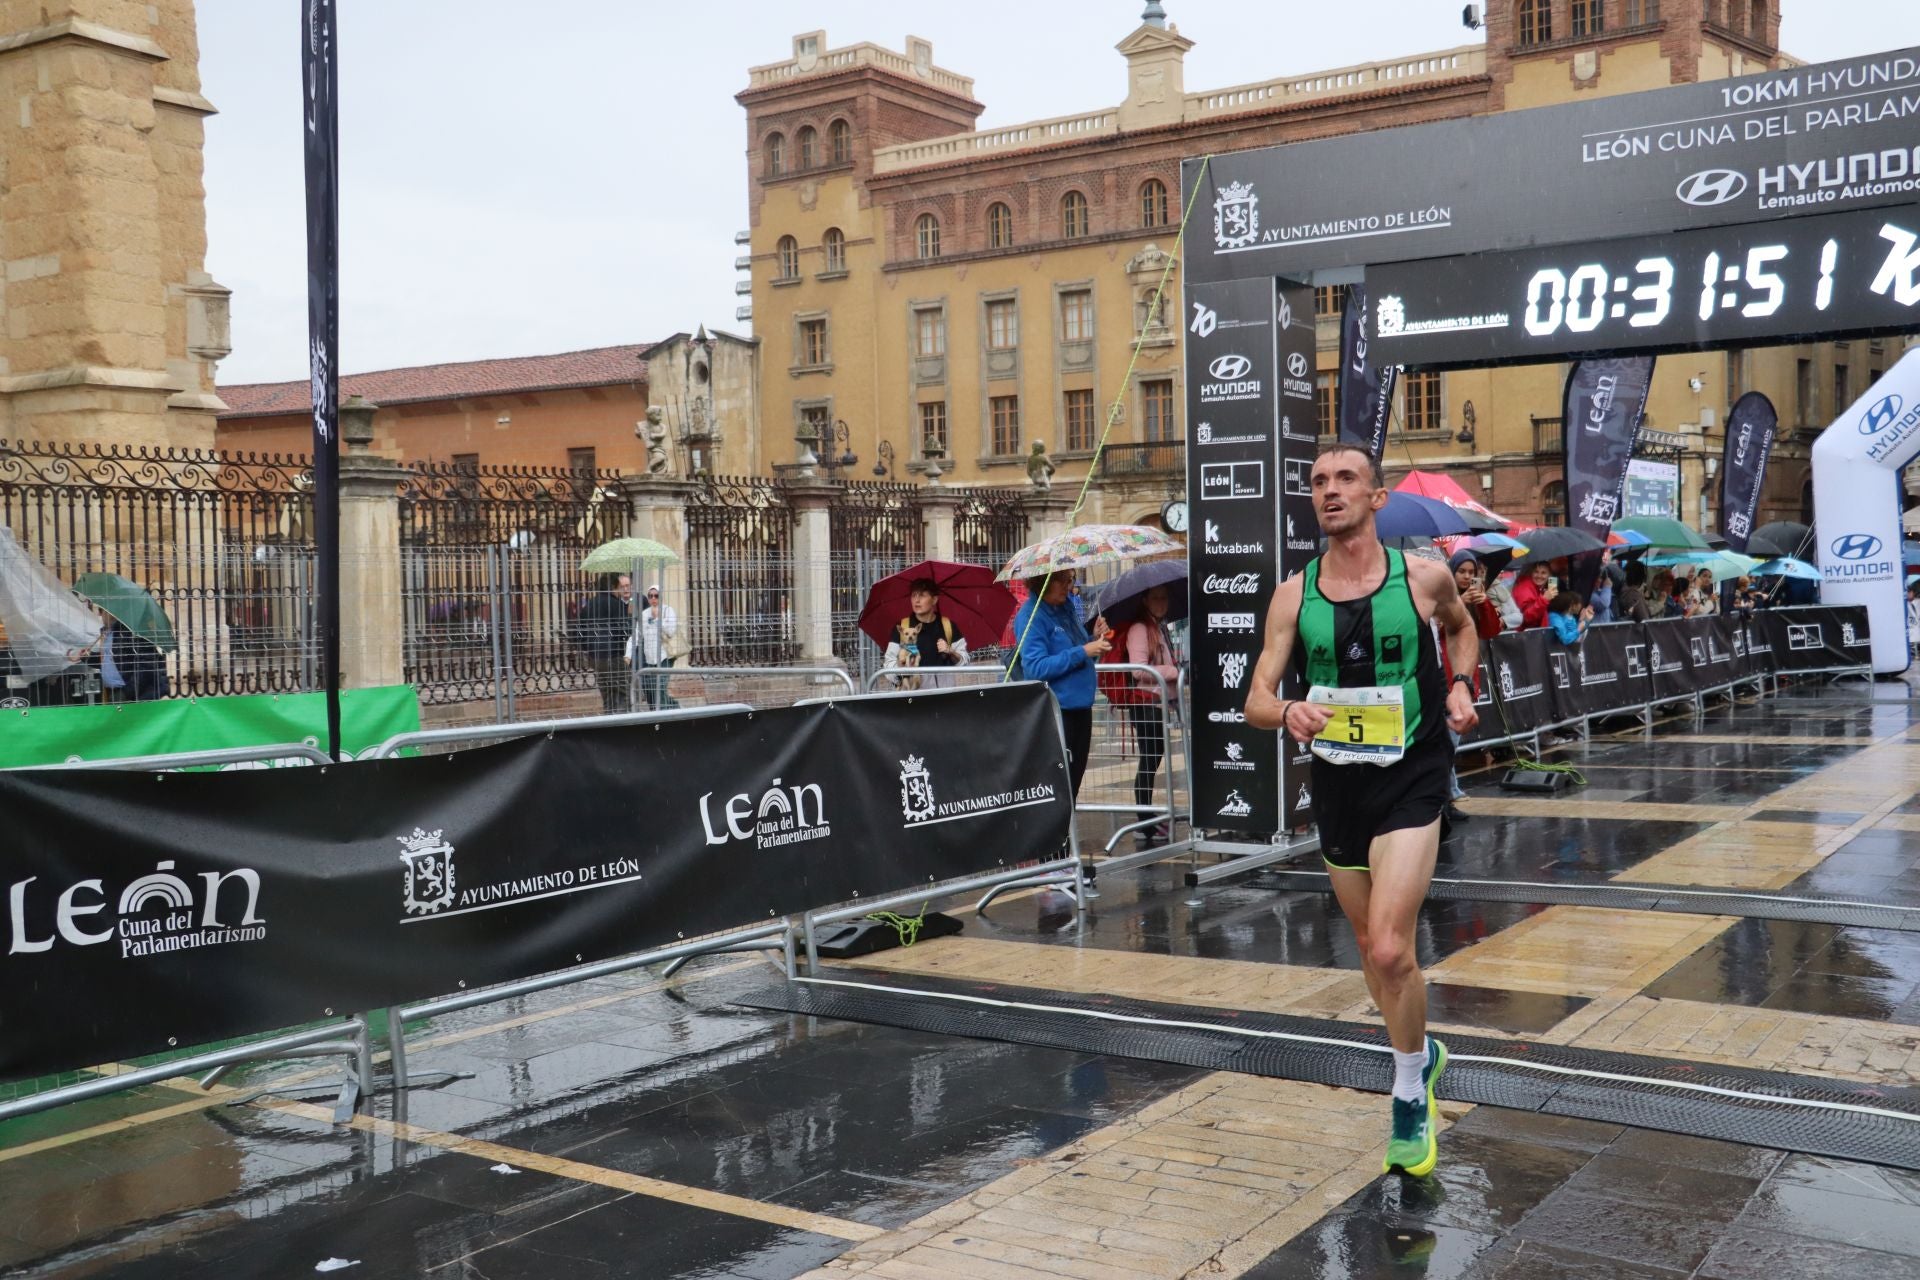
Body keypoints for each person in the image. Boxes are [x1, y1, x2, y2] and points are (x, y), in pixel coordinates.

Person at [1244, 443, 1479, 1179]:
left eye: (1346, 479)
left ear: (1377, 497)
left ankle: (1409, 1090)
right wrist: (1288, 712)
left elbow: (1463, 628)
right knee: (1375, 956)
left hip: (1412, 775)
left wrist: (1461, 687)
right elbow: (1254, 700)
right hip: (1338, 785)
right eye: (1318, 481)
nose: (1330, 491)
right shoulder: (1293, 595)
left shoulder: (1424, 577)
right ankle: (1421, 1047)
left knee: (1386, 948)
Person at [1013, 569, 1109, 802]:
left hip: (1080, 707)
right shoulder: (1030, 616)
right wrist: (1084, 650)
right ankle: (1060, 837)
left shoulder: (1065, 608)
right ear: (1044, 582)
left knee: (1073, 782)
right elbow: (1035, 667)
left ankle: (1067, 834)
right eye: (1063, 580)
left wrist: (1092, 640)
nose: (1069, 585)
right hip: (1058, 711)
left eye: (1071, 579)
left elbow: (1077, 651)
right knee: (1058, 785)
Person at [1443, 551, 1502, 825]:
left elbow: (1490, 631)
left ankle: (1448, 795)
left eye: (1471, 572)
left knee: (1449, 744)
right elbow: (1435, 627)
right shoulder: (1442, 598)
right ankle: (1446, 799)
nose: (1467, 577)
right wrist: (1458, 606)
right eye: (1462, 572)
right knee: (1445, 745)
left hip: (1464, 680)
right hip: (1441, 679)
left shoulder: (1477, 598)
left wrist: (1485, 603)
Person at [1120, 584, 1180, 848]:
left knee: (1153, 757)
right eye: (1155, 597)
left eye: (1164, 597)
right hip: (1144, 703)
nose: (1161, 602)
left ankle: (1148, 817)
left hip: (1157, 703)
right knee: (1149, 759)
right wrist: (1173, 671)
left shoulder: (1159, 627)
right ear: (1144, 600)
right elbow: (1138, 670)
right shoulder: (1140, 629)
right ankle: (1145, 820)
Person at [884, 577, 969, 689]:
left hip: (945, 696)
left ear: (934, 599)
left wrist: (951, 652)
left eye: (922, 595)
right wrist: (902, 666)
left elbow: (965, 660)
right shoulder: (902, 627)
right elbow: (888, 665)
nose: (916, 600)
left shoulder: (948, 626)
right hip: (912, 697)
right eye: (914, 595)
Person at [573, 574, 633, 712]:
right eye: (619, 587)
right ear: (613, 587)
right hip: (614, 655)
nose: (621, 590)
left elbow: (578, 632)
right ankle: (627, 722)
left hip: (596, 656)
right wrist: (629, 617)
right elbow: (624, 631)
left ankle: (609, 720)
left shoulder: (589, 604)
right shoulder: (616, 604)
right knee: (624, 691)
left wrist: (589, 647)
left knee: (607, 694)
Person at [93, 615, 168, 703]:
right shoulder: (108, 633)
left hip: (137, 695)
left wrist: (126, 692)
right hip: (116, 692)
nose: (108, 615)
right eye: (104, 611)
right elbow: (108, 661)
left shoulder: (132, 631)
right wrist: (85, 657)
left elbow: (147, 664)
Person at [636, 584, 679, 710]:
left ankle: (664, 714)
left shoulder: (667, 610)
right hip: (649, 657)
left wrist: (658, 619)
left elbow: (671, 631)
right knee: (651, 690)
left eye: (656, 596)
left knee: (659, 689)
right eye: (650, 596)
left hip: (665, 656)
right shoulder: (644, 614)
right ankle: (673, 708)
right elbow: (638, 634)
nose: (653, 599)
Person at [1511, 561, 1552, 630]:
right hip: (1524, 636)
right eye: (1536, 572)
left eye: (1543, 573)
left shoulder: (1535, 588)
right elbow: (1526, 617)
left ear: (1549, 575)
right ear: (1531, 573)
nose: (1539, 576)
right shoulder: (1525, 588)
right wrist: (1544, 600)